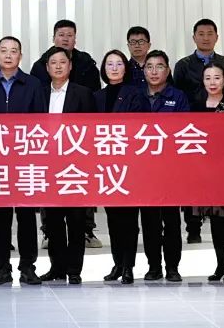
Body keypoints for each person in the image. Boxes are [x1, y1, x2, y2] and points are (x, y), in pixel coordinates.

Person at [0, 36, 46, 286]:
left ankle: (28, 266)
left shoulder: (33, 84)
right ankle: (2, 267)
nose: (8, 55)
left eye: (13, 51)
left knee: (26, 216)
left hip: (25, 161)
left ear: (20, 56)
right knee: (0, 217)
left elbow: (41, 123)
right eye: (4, 51)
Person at [173, 19, 224, 243]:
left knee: (222, 175)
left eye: (210, 33)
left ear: (216, 37)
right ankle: (193, 227)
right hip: (193, 126)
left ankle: (223, 223)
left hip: (222, 126)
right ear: (194, 37)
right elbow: (178, 95)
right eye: (201, 34)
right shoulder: (183, 65)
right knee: (193, 177)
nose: (205, 38)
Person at [38, 46, 96, 285]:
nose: (58, 66)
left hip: (75, 165)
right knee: (52, 221)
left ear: (70, 66)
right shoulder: (40, 93)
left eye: (63, 62)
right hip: (47, 164)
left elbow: (91, 130)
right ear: (47, 67)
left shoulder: (83, 93)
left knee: (75, 220)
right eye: (54, 63)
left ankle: (74, 269)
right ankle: (57, 267)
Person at [95, 50, 150, 285]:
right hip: (105, 165)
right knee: (113, 218)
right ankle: (117, 263)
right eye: (110, 64)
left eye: (119, 64)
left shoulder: (135, 94)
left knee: (128, 219)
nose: (114, 68)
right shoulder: (97, 96)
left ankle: (128, 266)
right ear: (104, 69)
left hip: (129, 165)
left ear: (125, 69)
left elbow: (141, 127)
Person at [192, 62, 224, 283]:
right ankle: (220, 264)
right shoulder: (196, 106)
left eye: (216, 78)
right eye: (208, 78)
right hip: (205, 172)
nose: (212, 82)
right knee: (214, 221)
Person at [140, 50, 188, 283]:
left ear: (167, 70)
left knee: (171, 221)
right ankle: (153, 267)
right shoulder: (135, 95)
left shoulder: (178, 97)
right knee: (149, 221)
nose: (154, 71)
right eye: (149, 66)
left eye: (159, 66)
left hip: (171, 170)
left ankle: (172, 267)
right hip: (144, 169)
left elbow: (185, 130)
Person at [30, 20, 101, 92]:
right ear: (53, 39)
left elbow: (94, 93)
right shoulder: (39, 66)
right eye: (61, 35)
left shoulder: (87, 65)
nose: (65, 39)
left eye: (69, 35)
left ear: (75, 40)